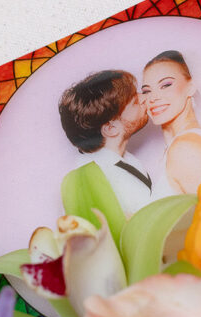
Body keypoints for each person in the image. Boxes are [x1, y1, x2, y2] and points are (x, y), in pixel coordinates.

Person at [58, 69, 153, 217]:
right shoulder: (88, 182)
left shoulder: (127, 161)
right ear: (111, 128)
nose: (144, 98)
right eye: (135, 101)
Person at [140, 50, 201, 195]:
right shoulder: (181, 144)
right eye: (146, 91)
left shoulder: (186, 148)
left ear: (191, 87)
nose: (152, 98)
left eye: (166, 85)